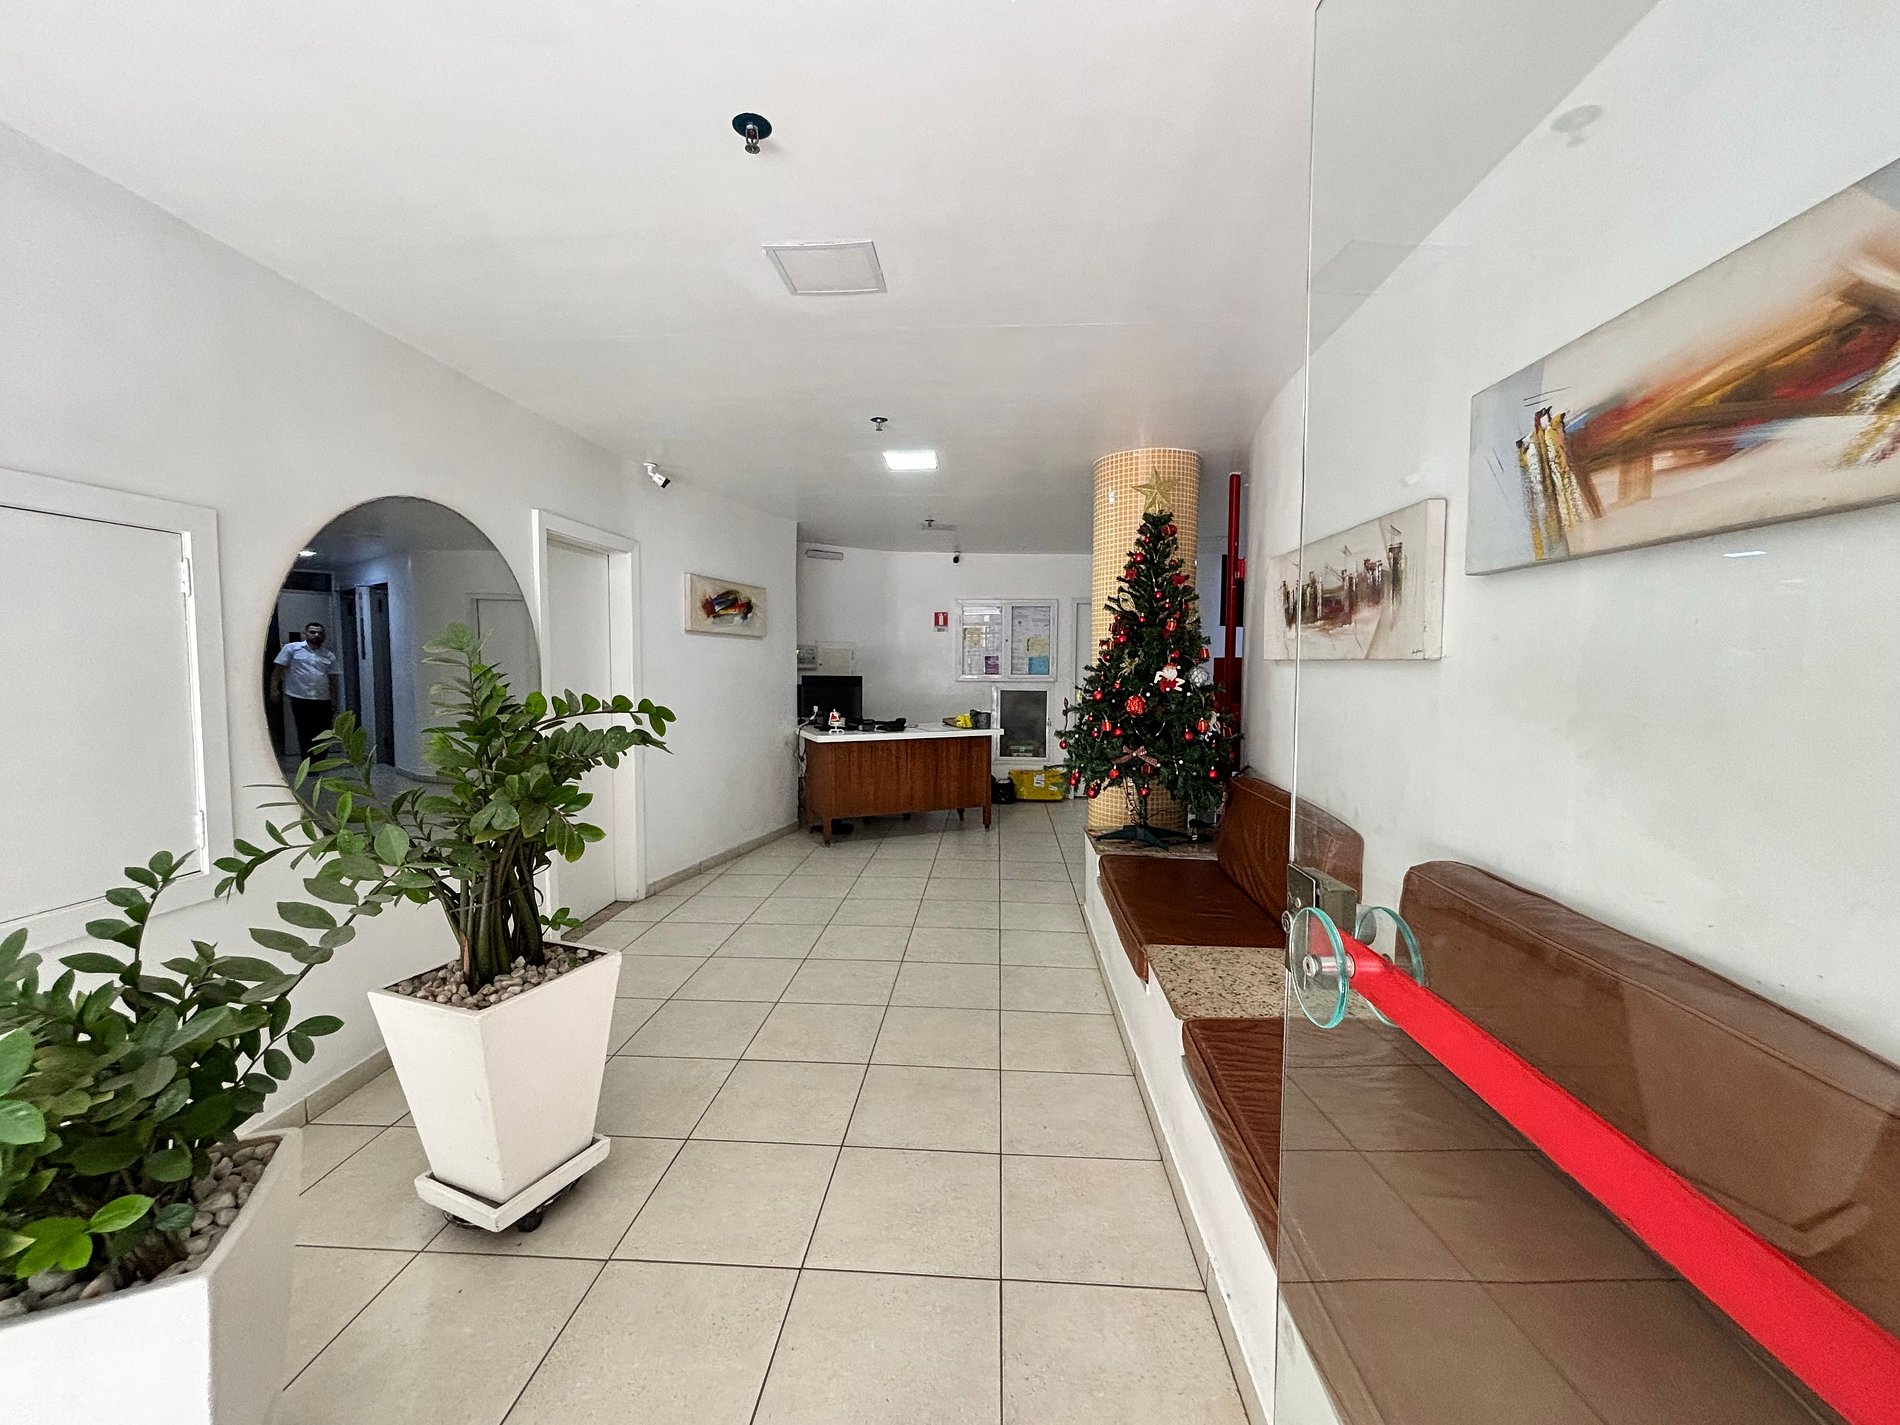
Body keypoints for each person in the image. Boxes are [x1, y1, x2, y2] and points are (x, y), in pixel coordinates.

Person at [271, 621, 341, 758]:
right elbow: (278, 670)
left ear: (324, 636)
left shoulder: (328, 655)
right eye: (313, 632)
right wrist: (274, 690)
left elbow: (333, 680)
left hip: (323, 700)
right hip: (300, 698)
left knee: (324, 733)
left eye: (320, 633)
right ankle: (307, 763)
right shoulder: (292, 649)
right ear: (305, 634)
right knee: (305, 733)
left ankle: (320, 762)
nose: (316, 635)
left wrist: (334, 700)